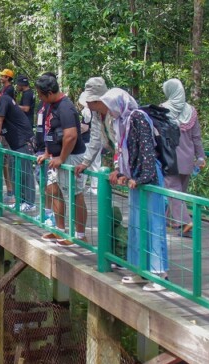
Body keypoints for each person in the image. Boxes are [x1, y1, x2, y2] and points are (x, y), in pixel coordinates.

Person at [91, 88, 169, 291]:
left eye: (110, 106)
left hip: (148, 178)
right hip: (136, 177)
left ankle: (159, 273)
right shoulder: (120, 120)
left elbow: (147, 150)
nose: (108, 110)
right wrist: (121, 172)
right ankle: (140, 270)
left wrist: (144, 178)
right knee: (136, 224)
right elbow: (124, 151)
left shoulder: (138, 118)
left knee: (153, 223)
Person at [35, 74, 88, 246]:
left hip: (71, 156)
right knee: (53, 190)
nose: (40, 98)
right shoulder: (51, 105)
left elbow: (71, 136)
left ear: (49, 93)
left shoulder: (65, 107)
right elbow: (51, 131)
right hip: (55, 156)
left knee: (74, 193)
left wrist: (62, 158)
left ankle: (79, 236)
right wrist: (47, 152)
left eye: (41, 95)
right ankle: (59, 230)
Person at [0, 83, 36, 213]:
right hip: (14, 143)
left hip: (22, 140)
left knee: (25, 172)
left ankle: (30, 202)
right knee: (15, 172)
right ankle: (20, 200)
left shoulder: (3, 100)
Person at [161, 78, 206, 238]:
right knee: (178, 192)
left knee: (174, 192)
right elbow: (197, 138)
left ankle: (184, 223)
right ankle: (168, 219)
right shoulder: (191, 111)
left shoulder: (163, 110)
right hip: (187, 159)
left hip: (170, 158)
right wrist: (200, 157)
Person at [74, 77, 110, 196]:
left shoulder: (117, 110)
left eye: (88, 101)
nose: (87, 104)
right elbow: (95, 137)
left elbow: (122, 141)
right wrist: (85, 162)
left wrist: (120, 168)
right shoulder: (96, 113)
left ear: (97, 101)